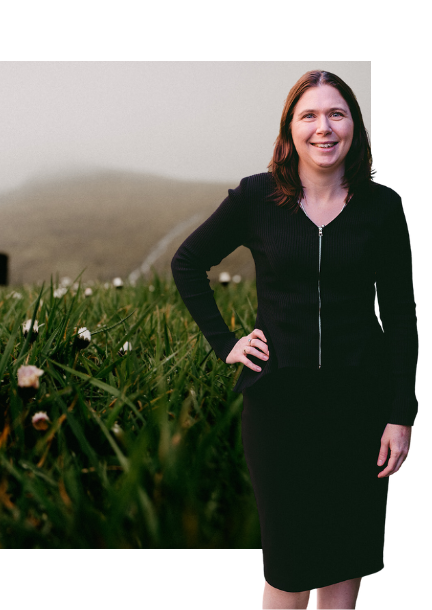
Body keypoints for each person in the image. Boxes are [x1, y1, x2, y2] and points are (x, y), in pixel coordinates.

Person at [171, 70, 417, 609]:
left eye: (336, 114)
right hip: (279, 407)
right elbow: (187, 262)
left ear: (354, 126)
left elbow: (401, 313)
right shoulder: (257, 197)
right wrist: (225, 342)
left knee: (346, 559)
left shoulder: (382, 207)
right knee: (290, 567)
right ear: (290, 129)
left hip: (361, 407)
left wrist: (401, 413)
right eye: (309, 115)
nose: (323, 127)